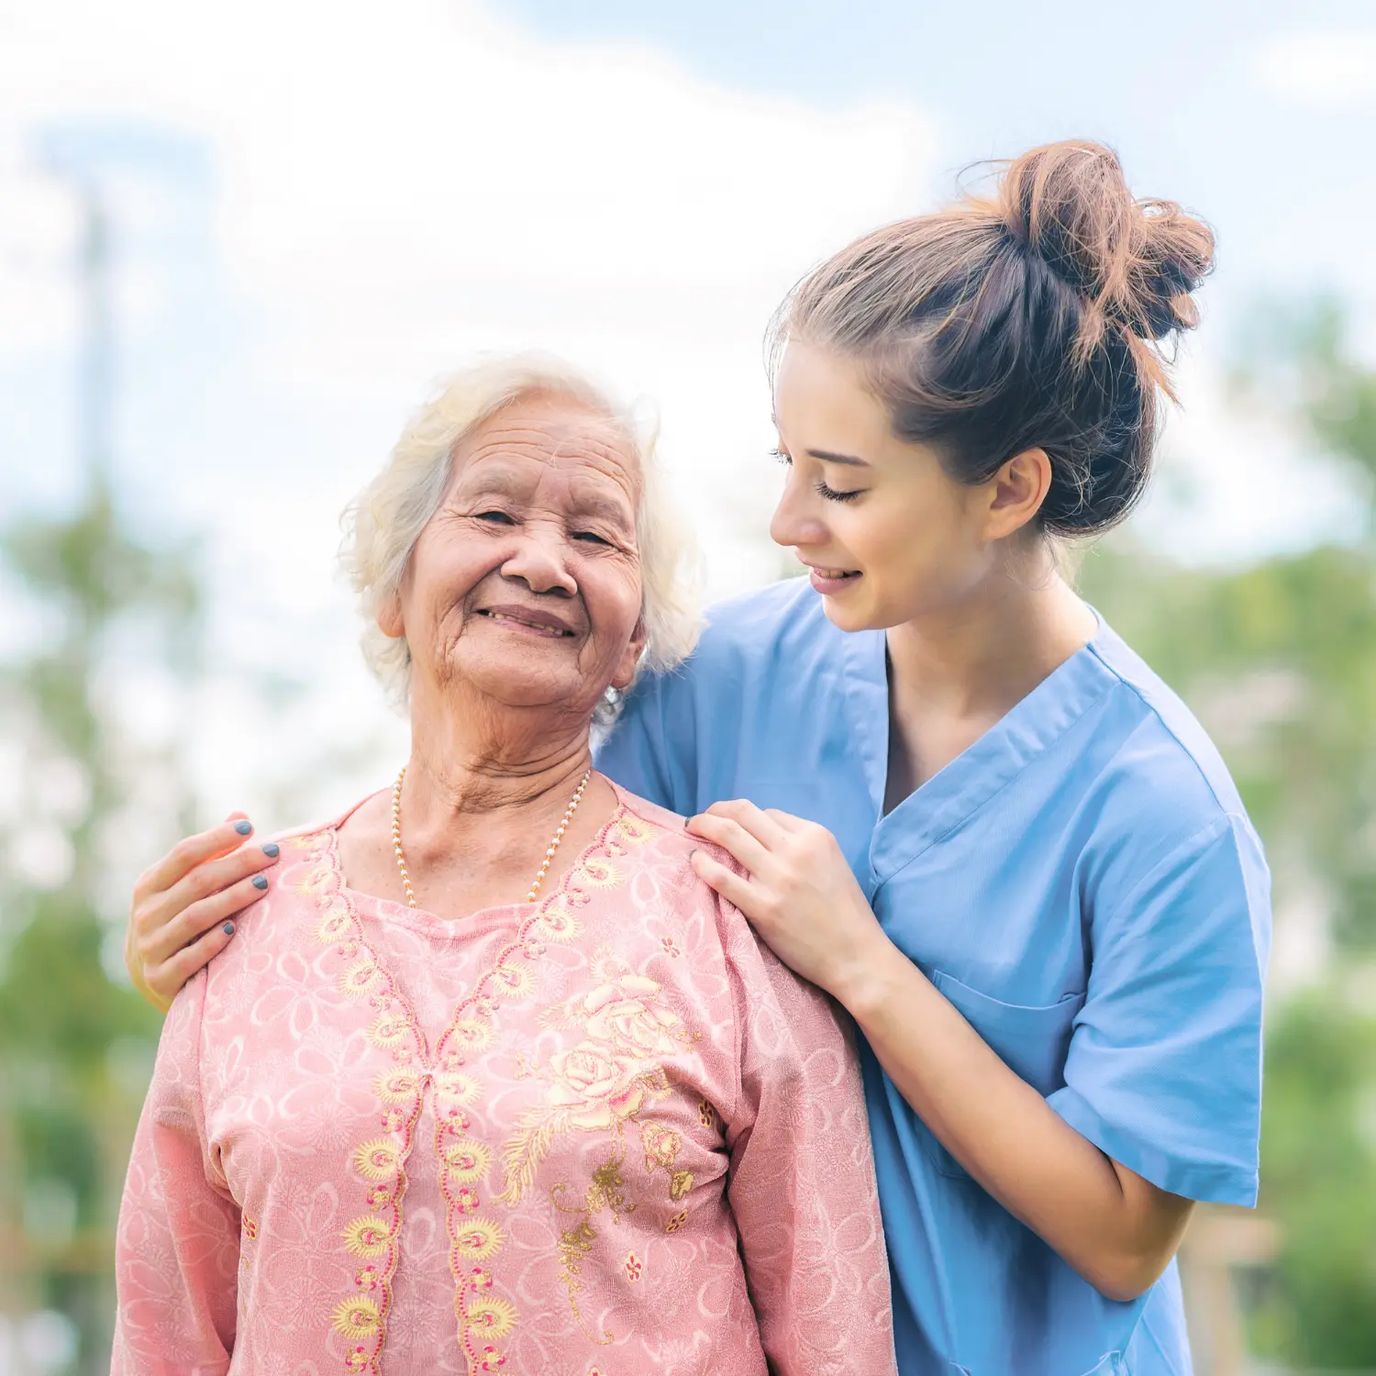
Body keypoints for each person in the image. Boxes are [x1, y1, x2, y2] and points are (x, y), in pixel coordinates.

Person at [125, 141, 1270, 1376]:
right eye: (787, 464)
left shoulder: (1162, 811)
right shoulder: (717, 678)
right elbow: (519, 884)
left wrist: (863, 966)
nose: (786, 524)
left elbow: (1122, 1238)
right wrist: (237, 979)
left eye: (839, 484)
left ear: (1008, 491)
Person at [112, 357, 897, 1375]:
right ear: (394, 586)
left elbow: (834, 1339)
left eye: (593, 534)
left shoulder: (729, 925)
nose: (540, 562)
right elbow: (165, 1331)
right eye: (491, 514)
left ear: (631, 642)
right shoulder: (244, 922)